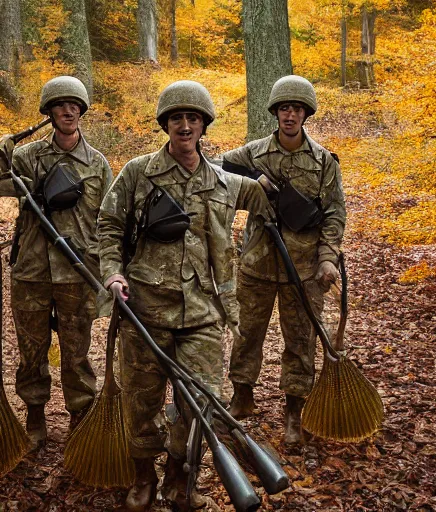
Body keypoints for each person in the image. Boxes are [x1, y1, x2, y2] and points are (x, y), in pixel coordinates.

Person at [97, 80, 272, 512]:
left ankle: (179, 478)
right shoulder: (138, 173)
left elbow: (266, 199)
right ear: (166, 124)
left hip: (202, 314)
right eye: (177, 118)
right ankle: (143, 478)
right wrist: (113, 274)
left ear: (204, 125)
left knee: (201, 405)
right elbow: (108, 227)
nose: (186, 125)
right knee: (141, 401)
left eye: (193, 118)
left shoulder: (223, 181)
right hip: (144, 310)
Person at [223, 75, 346, 444]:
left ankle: (295, 408)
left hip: (305, 269)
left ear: (306, 114)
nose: (289, 115)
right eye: (283, 109)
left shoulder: (324, 161)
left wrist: (327, 259)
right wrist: (252, 183)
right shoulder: (253, 153)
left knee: (301, 339)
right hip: (257, 263)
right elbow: (216, 172)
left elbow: (335, 214)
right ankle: (242, 396)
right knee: (246, 335)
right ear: (275, 113)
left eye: (295, 109)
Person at [0, 76, 113, 451]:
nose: (68, 111)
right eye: (60, 106)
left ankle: (81, 413)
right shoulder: (26, 156)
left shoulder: (97, 163)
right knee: (32, 348)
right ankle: (35, 413)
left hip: (78, 273)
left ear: (82, 111)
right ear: (48, 113)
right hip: (31, 269)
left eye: (74, 106)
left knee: (77, 350)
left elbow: (109, 219)